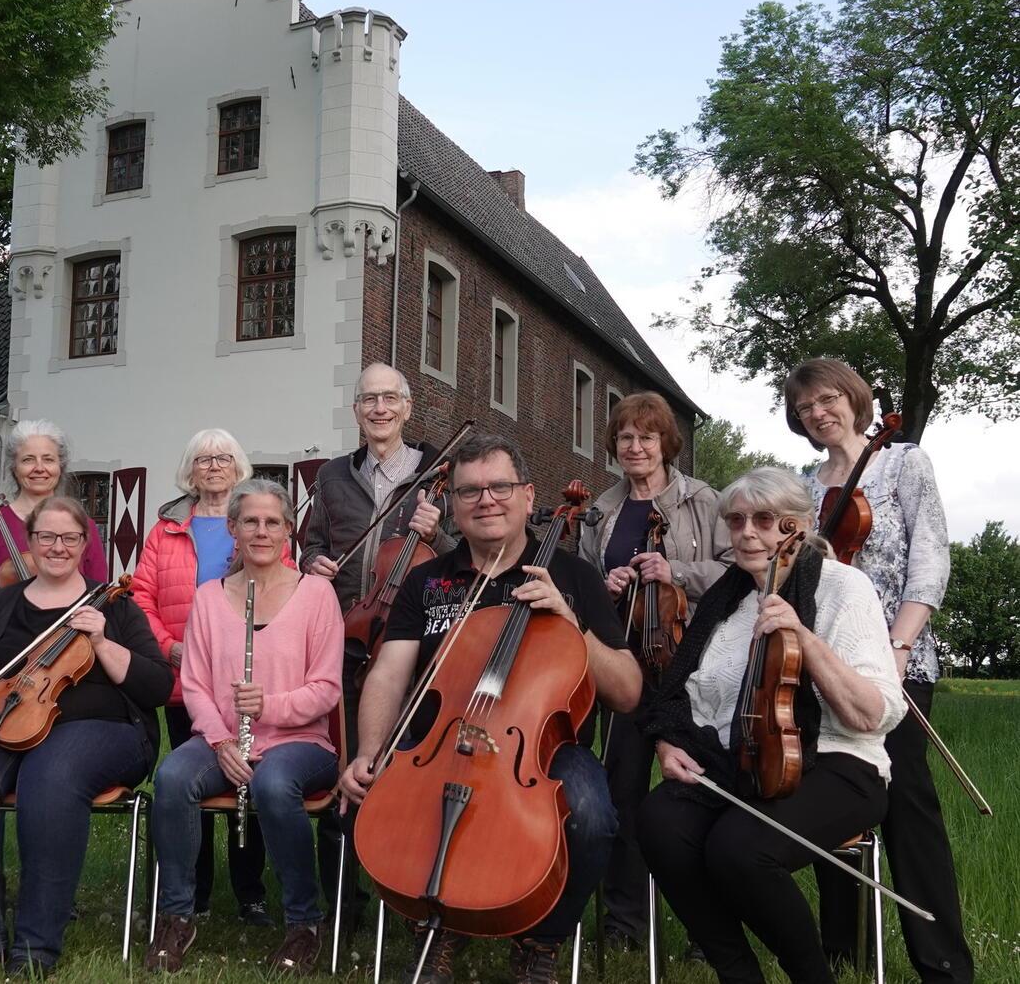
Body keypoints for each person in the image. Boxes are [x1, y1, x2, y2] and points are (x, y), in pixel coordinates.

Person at [341, 433, 642, 984]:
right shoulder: (427, 580)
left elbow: (626, 690)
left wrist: (570, 621)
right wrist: (370, 750)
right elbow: (388, 672)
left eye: (500, 487)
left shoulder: (573, 578)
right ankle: (432, 928)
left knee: (594, 819)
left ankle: (540, 940)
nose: (486, 500)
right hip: (441, 741)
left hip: (543, 752)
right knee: (377, 799)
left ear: (528, 496)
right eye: (470, 490)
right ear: (452, 505)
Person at [637, 467, 907, 984]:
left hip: (839, 763)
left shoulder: (843, 588)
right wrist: (667, 743)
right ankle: (738, 973)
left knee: (739, 849)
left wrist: (804, 638)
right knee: (660, 822)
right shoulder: (726, 595)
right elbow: (677, 689)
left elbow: (873, 713)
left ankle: (811, 976)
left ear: (800, 528)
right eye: (736, 521)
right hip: (741, 761)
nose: (748, 533)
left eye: (766, 521)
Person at [0, 496, 171, 978]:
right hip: (1, 724)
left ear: (85, 543)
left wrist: (102, 642)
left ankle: (37, 944)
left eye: (69, 538)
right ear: (30, 543)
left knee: (52, 776)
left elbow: (156, 685)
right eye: (46, 537)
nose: (57, 547)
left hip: (105, 730)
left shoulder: (113, 605)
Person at [784, 358, 970, 982]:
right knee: (835, 800)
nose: (819, 412)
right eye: (807, 406)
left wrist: (899, 645)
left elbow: (930, 558)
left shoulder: (903, 462)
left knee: (906, 807)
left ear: (854, 399)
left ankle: (941, 961)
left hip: (896, 656)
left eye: (829, 398)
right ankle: (844, 949)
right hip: (826, 664)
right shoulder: (808, 487)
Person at [145, 479, 344, 975]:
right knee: (172, 777)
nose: (261, 531)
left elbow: (327, 688)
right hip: (223, 740)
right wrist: (220, 740)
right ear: (232, 528)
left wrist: (270, 705)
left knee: (274, 784)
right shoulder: (210, 598)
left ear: (288, 532)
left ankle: (303, 923)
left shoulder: (316, 594)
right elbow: (193, 683)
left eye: (272, 521)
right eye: (250, 521)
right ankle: (176, 916)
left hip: (301, 742)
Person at [576, 391, 729, 951]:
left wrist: (677, 571)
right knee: (623, 792)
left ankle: (703, 925)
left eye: (647, 436)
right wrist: (604, 585)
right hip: (624, 667)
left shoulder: (703, 501)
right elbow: (582, 585)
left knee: (695, 789)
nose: (635, 446)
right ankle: (625, 923)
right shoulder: (600, 508)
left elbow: (738, 571)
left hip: (690, 665)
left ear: (668, 443)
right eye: (625, 437)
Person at [132, 428, 287, 926]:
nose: (214, 466)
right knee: (190, 787)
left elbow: (284, 591)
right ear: (190, 470)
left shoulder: (257, 522)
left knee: (251, 782)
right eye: (203, 459)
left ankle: (250, 892)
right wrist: (172, 648)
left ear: (238, 465)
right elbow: (141, 599)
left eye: (223, 458)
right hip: (186, 680)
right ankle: (195, 896)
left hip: (250, 680)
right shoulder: (166, 529)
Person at [298, 362, 452, 745]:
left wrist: (437, 536)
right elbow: (311, 544)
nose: (379, 408)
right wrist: (312, 563)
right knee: (344, 746)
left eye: (389, 398)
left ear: (407, 408)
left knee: (404, 747)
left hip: (410, 634)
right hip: (343, 631)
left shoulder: (439, 476)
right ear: (356, 411)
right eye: (369, 399)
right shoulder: (332, 475)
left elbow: (466, 557)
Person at [0, 419, 107, 618]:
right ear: (14, 467)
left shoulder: (84, 526)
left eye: (48, 459)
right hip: (4, 640)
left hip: (69, 641)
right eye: (28, 459)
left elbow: (97, 596)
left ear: (60, 466)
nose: (39, 468)